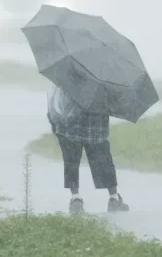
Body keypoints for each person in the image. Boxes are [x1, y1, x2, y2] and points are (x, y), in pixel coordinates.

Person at [47, 83, 130, 215]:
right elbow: (113, 104)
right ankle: (114, 198)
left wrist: (53, 121)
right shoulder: (102, 77)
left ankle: (76, 199)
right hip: (96, 129)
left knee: (71, 163)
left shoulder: (67, 75)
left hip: (70, 128)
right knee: (104, 162)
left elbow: (55, 99)